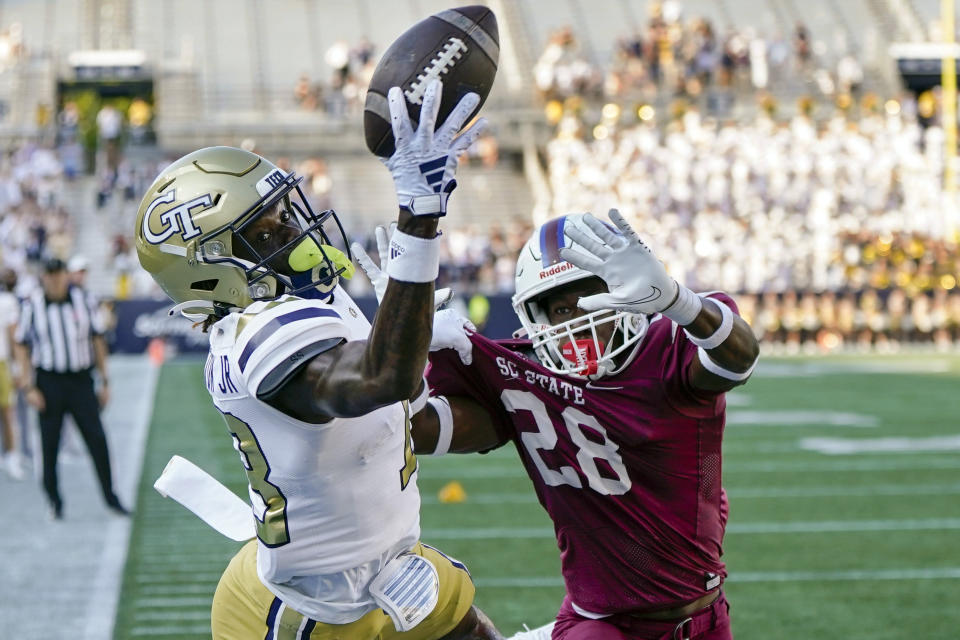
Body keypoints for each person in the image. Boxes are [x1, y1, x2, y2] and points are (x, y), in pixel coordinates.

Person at [134, 79, 503, 640]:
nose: (294, 228)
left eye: (284, 211)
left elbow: (405, 427)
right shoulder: (252, 334)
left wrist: (535, 403)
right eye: (266, 230)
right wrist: (420, 215)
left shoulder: (312, 303)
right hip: (305, 610)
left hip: (395, 569)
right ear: (209, 267)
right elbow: (382, 378)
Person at [403, 210, 760, 640]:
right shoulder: (525, 379)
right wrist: (408, 348)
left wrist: (678, 301)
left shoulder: (667, 349)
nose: (578, 318)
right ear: (538, 319)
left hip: (704, 616)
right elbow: (419, 430)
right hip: (602, 625)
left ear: (629, 293)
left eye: (594, 299)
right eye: (560, 308)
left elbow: (738, 358)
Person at [12, 257, 127, 518]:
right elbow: (21, 343)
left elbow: (97, 341)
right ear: (43, 277)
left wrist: (105, 380)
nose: (54, 279)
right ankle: (54, 500)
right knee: (49, 444)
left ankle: (111, 497)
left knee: (97, 439)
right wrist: (29, 386)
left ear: (66, 275)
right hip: (48, 381)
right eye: (49, 274)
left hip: (80, 381)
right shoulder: (32, 305)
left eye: (58, 273)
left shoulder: (85, 301)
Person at [0, 267, 23, 479]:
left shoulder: (8, 301)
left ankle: (12, 456)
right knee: (9, 413)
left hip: (3, 362)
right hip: (3, 362)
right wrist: (17, 367)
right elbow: (13, 335)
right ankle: (12, 457)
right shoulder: (9, 302)